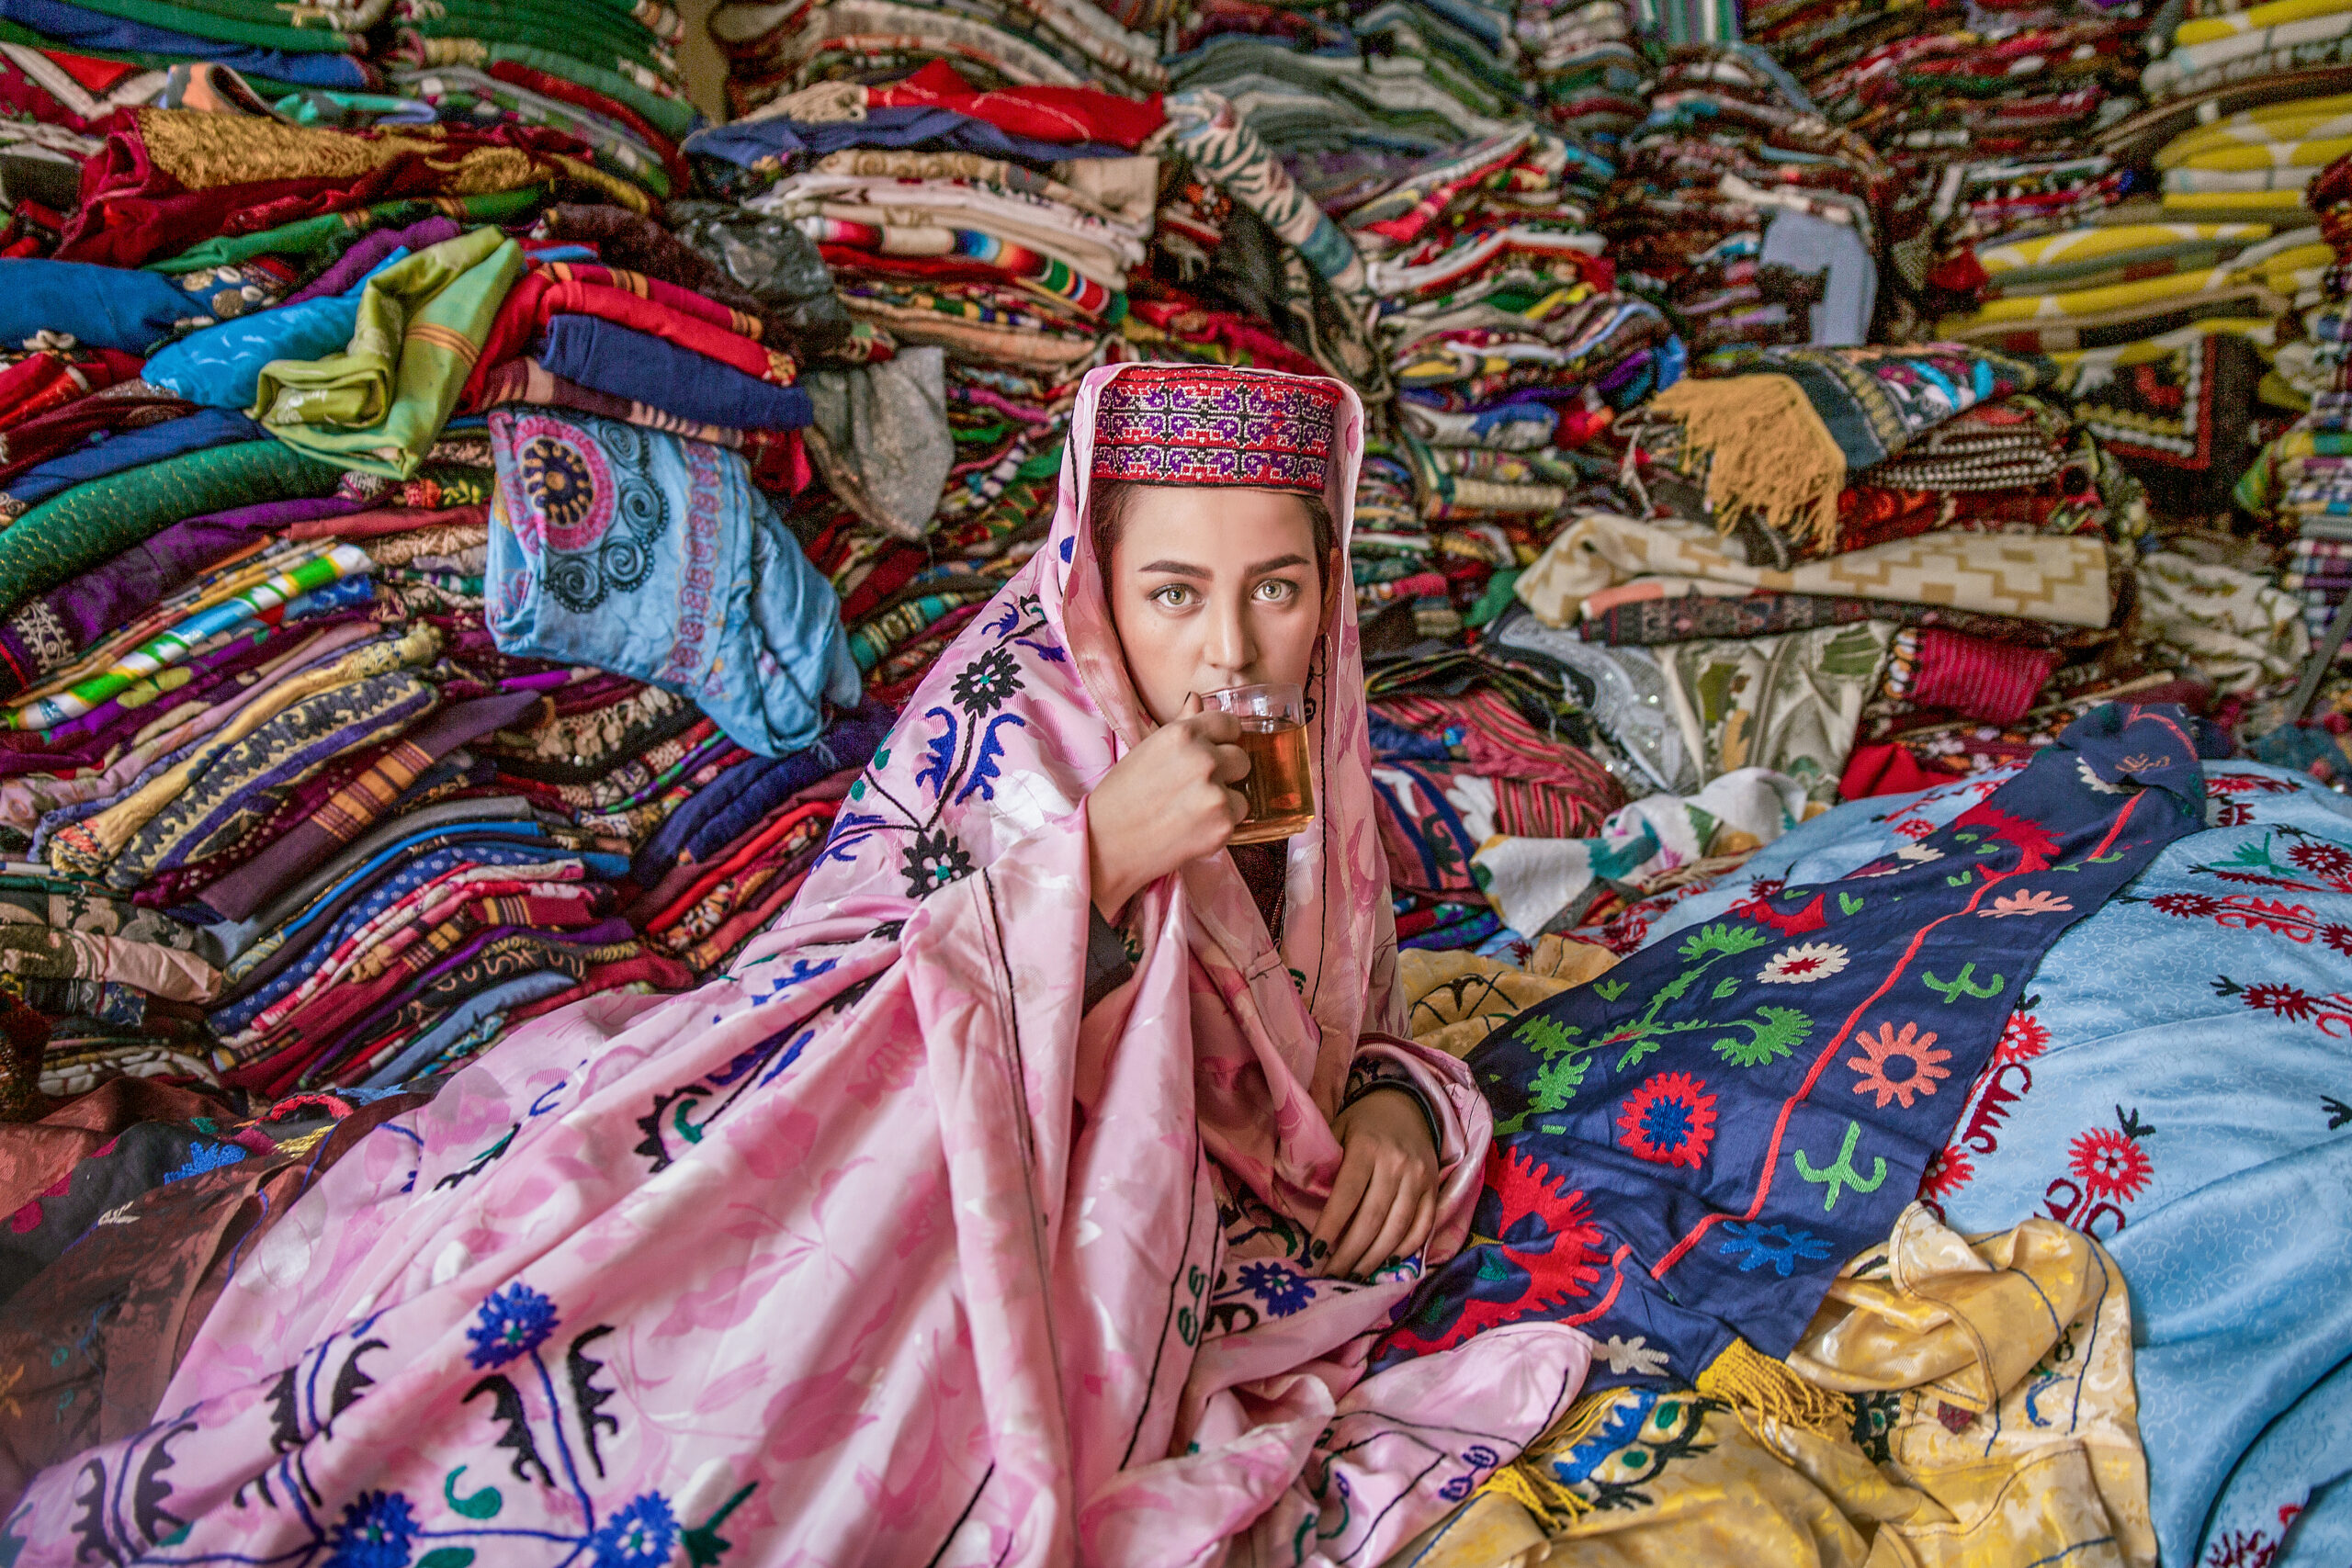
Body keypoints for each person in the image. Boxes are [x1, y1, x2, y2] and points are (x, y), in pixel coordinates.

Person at [3, 364, 1588, 1565]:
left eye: (1280, 592)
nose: (1232, 652)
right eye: (1174, 593)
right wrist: (1096, 857)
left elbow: (1334, 1029)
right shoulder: (1013, 721)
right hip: (904, 1165)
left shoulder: (1320, 763)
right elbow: (844, 983)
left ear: (1331, 599)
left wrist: (1385, 1100)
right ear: (1095, 578)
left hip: (1154, 1202)